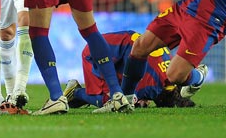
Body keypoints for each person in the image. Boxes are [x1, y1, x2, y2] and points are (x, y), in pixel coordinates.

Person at [63, 30, 195, 109]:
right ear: (158, 99)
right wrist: (138, 99)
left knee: (121, 93)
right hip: (94, 53)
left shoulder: (175, 70)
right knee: (116, 101)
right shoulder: (151, 88)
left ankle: (79, 97)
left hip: (118, 51)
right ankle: (76, 92)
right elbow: (130, 98)